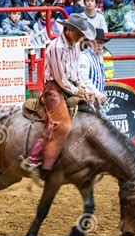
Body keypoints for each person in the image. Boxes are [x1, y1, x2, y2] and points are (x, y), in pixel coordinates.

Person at [20, 13, 96, 180]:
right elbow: (60, 78)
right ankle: (35, 159)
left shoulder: (75, 45)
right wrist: (77, 91)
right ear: (69, 30)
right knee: (63, 125)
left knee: (90, 111)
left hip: (68, 85)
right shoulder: (56, 47)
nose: (81, 36)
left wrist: (81, 87)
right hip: (53, 88)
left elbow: (74, 71)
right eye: (79, 32)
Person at [79, 28, 109, 110]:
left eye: (101, 43)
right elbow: (83, 78)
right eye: (97, 42)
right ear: (90, 42)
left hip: (97, 100)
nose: (99, 45)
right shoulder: (84, 56)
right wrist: (97, 93)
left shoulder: (100, 57)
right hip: (88, 99)